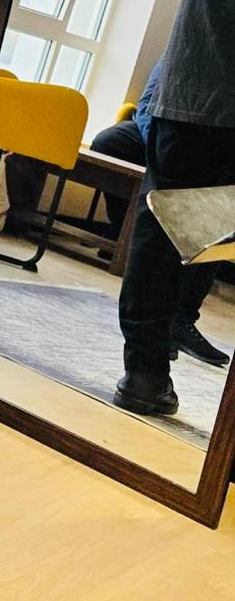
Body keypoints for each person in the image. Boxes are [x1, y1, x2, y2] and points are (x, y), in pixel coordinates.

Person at [117, 0, 235, 415]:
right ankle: (147, 363)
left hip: (196, 84)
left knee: (195, 234)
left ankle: (153, 357)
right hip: (205, 88)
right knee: (176, 232)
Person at [87, 62, 230, 370]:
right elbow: (148, 103)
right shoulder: (182, 57)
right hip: (166, 127)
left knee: (219, 210)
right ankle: (120, 236)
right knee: (110, 141)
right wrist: (159, 146)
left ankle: (180, 321)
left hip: (210, 132)